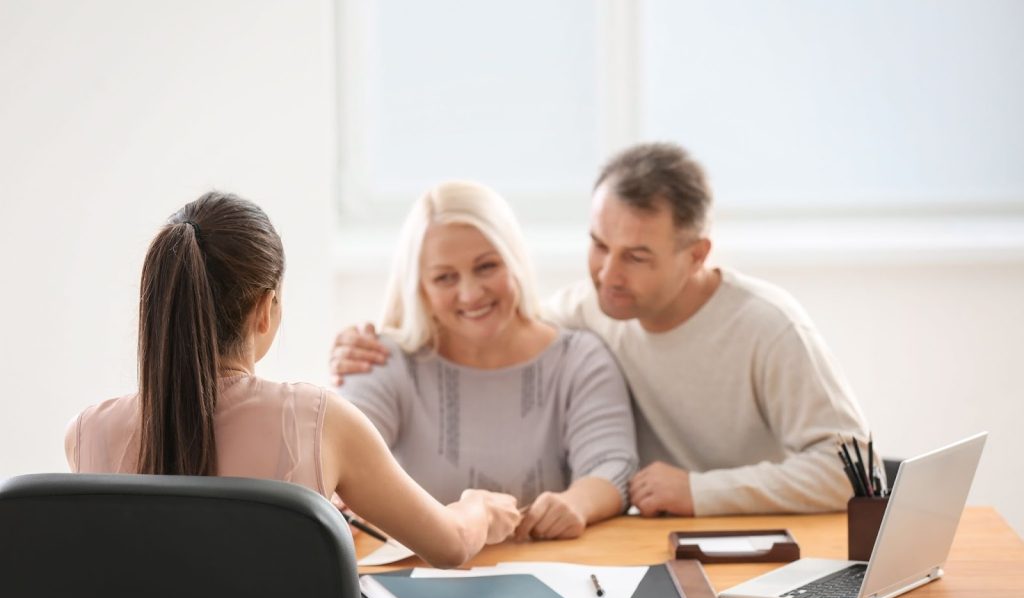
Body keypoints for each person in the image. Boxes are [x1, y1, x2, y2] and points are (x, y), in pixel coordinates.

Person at [331, 144, 869, 517]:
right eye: (598, 245)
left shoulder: (769, 329)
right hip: (656, 540)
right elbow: (494, 324)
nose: (608, 275)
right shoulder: (587, 311)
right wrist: (363, 346)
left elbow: (853, 474)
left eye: (636, 256)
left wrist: (701, 492)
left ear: (697, 254)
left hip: (762, 541)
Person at [65, 191, 520, 568]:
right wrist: (478, 507)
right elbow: (450, 546)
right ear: (266, 308)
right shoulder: (319, 422)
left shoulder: (85, 434)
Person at [333, 180, 638, 540]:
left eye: (486, 267)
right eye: (445, 277)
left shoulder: (579, 358)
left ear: (515, 262)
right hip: (415, 577)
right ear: (422, 289)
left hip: (547, 570)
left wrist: (576, 504)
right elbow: (339, 459)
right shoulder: (383, 359)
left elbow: (612, 465)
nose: (470, 293)